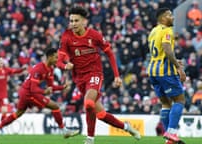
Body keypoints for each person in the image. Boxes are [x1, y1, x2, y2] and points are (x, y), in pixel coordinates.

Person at [57, 6, 141, 144]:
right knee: (101, 114)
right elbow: (59, 60)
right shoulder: (66, 37)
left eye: (76, 20)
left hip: (95, 74)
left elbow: (109, 53)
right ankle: (127, 127)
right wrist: (65, 65)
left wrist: (117, 75)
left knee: (88, 103)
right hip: (79, 78)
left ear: (84, 21)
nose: (73, 24)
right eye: (71, 21)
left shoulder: (94, 35)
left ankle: (90, 139)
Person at [0, 48, 79, 138]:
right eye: (55, 57)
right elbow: (33, 89)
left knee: (17, 113)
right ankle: (64, 130)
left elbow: (51, 87)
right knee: (55, 106)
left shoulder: (50, 70)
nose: (57, 60)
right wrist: (44, 91)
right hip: (28, 93)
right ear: (50, 57)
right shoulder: (39, 68)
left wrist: (62, 87)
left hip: (26, 92)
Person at [147, 8, 186, 144]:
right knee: (180, 100)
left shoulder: (153, 31)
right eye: (169, 15)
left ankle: (169, 139)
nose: (172, 17)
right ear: (162, 18)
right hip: (165, 72)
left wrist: (174, 59)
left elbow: (158, 52)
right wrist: (178, 67)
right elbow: (167, 49)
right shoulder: (167, 30)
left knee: (165, 103)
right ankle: (171, 133)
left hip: (152, 71)